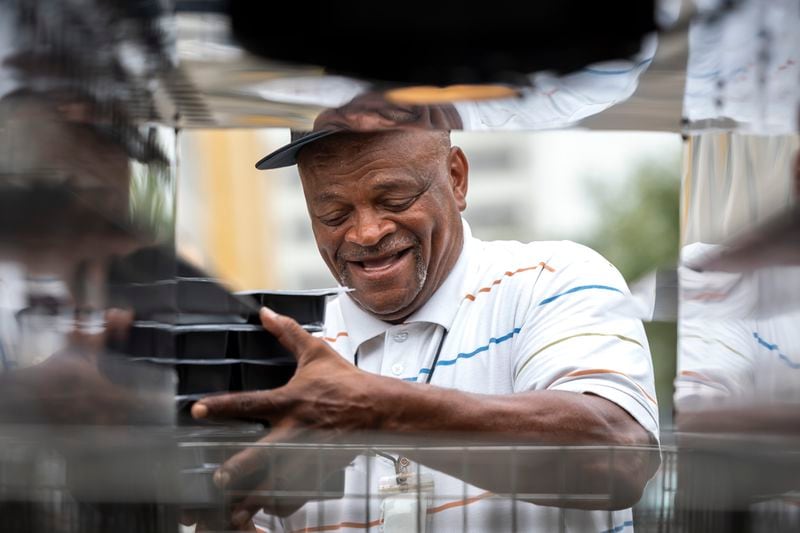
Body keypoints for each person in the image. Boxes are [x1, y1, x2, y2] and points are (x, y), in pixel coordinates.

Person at [190, 108, 660, 532]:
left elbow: (619, 459)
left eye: (394, 199)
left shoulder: (552, 280)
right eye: (332, 212)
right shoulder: (294, 344)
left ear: (456, 178)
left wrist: (377, 411)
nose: (367, 231)